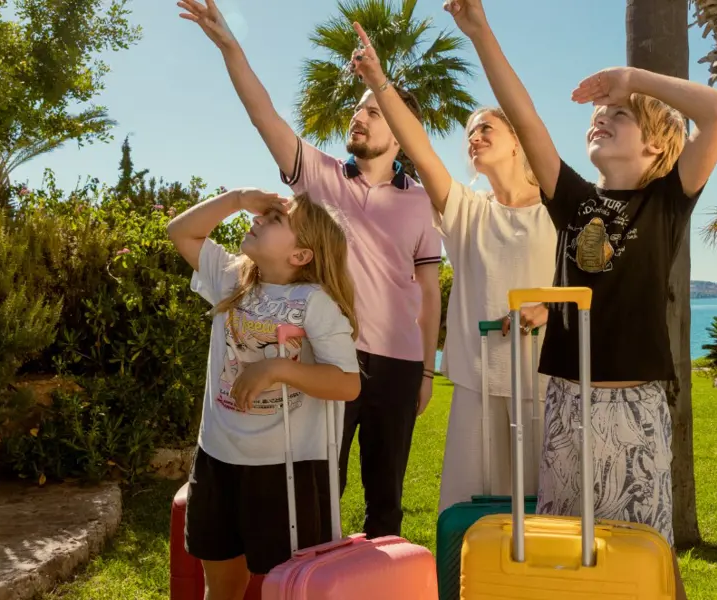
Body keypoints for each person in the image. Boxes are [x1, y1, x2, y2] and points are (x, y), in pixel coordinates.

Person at [445, 0, 717, 590]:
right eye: (599, 112)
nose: (601, 117)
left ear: (655, 147)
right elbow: (525, 120)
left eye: (619, 115)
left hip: (636, 410)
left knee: (648, 559)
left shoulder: (667, 200)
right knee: (568, 563)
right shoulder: (573, 199)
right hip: (565, 405)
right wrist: (479, 32)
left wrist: (632, 81)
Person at [179, 0, 443, 540]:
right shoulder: (318, 175)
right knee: (323, 490)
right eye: (360, 107)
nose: (359, 115)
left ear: (401, 131)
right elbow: (264, 115)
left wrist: (425, 371)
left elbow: (429, 291)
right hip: (328, 355)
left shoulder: (422, 203)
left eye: (375, 111)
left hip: (397, 365)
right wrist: (230, 45)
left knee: (387, 500)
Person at [347, 22, 556, 512]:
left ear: (517, 140)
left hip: (547, 386)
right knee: (469, 518)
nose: (474, 136)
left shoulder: (558, 210)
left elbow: (590, 284)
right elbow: (418, 146)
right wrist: (379, 83)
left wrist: (550, 306)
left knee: (544, 515)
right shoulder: (467, 211)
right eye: (469, 132)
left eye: (487, 127)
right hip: (475, 388)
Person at [168, 187, 362, 600]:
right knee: (221, 586)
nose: (258, 219)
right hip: (218, 456)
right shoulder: (232, 277)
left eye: (275, 219)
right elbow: (180, 232)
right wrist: (237, 198)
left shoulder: (316, 303)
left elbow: (347, 382)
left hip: (285, 467)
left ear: (301, 255)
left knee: (290, 588)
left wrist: (276, 368)